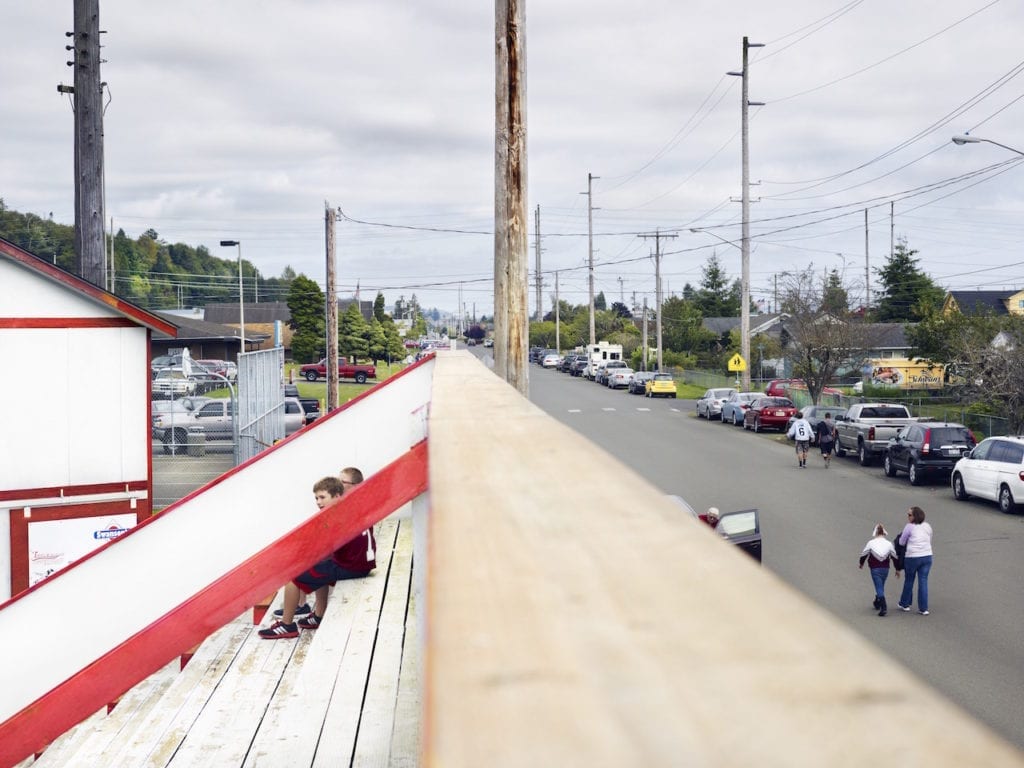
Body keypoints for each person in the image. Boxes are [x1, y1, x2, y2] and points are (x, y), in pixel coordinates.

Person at [260, 468, 376, 639]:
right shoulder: (352, 507)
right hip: (362, 563)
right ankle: (319, 615)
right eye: (316, 498)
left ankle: (287, 626)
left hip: (352, 567)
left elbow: (320, 547)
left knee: (293, 578)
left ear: (337, 496)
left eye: (322, 498)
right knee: (319, 566)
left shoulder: (335, 517)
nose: (318, 502)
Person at [897, 506, 933, 615]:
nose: (908, 517)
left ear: (914, 516)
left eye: (909, 515)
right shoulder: (927, 526)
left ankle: (905, 603)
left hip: (912, 557)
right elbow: (929, 539)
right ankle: (924, 608)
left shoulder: (909, 527)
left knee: (909, 580)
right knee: (923, 581)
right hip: (927, 556)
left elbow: (901, 542)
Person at [858, 523, 899, 616]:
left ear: (875, 532)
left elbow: (864, 554)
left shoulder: (871, 543)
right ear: (884, 533)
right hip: (885, 569)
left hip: (875, 568)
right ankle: (877, 601)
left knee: (879, 587)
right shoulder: (889, 544)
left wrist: (861, 563)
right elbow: (894, 557)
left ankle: (883, 607)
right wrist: (897, 569)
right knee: (881, 585)